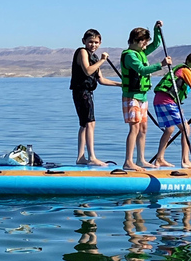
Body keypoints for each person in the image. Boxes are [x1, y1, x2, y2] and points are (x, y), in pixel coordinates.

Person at [121, 21, 172, 171]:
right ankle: (128, 161)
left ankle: (141, 159)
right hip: (132, 96)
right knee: (134, 128)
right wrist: (161, 64)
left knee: (143, 128)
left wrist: (157, 30)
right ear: (136, 41)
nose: (145, 47)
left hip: (142, 96)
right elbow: (142, 69)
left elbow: (156, 44)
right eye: (144, 44)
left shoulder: (140, 52)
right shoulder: (130, 55)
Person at [70, 29, 121, 166]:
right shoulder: (82, 52)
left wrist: (121, 85)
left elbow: (101, 80)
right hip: (81, 92)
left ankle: (81, 157)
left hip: (88, 92)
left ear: (100, 43)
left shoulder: (95, 58)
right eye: (91, 42)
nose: (93, 45)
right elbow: (88, 71)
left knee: (84, 125)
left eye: (96, 42)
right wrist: (103, 60)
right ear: (84, 41)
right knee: (89, 123)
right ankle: (92, 157)